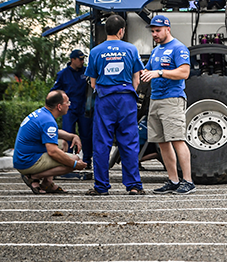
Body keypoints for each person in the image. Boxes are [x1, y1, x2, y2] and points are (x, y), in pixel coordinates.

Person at [85, 14, 145, 196]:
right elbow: (137, 79)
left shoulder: (96, 51)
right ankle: (134, 185)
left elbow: (92, 82)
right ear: (121, 31)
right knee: (129, 142)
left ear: (106, 30)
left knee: (102, 143)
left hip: (105, 99)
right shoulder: (131, 49)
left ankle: (101, 186)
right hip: (126, 99)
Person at [140, 15, 195, 195]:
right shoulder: (156, 51)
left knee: (177, 140)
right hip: (156, 100)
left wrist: (160, 72)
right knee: (162, 142)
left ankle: (188, 181)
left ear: (168, 29)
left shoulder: (178, 48)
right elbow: (148, 71)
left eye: (158, 30)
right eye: (153, 31)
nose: (154, 34)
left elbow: (184, 72)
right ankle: (173, 180)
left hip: (172, 99)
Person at [14, 90, 87, 194]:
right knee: (74, 160)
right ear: (59, 107)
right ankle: (33, 176)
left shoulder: (43, 114)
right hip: (27, 161)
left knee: (63, 143)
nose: (69, 105)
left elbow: (53, 132)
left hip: (23, 158)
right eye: (67, 102)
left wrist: (72, 136)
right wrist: (75, 164)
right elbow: (53, 152)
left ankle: (47, 183)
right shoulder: (48, 121)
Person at [52, 49, 93, 179]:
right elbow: (55, 91)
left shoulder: (86, 72)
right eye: (80, 59)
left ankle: (87, 160)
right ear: (72, 59)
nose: (82, 61)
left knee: (86, 135)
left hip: (84, 108)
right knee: (68, 134)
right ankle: (68, 162)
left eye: (83, 59)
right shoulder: (63, 74)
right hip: (69, 109)